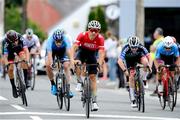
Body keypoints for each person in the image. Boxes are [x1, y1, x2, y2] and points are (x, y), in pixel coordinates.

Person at [72, 20, 104, 111]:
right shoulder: (82, 35)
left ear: (99, 31)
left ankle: (94, 102)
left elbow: (101, 52)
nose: (94, 32)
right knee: (78, 64)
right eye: (92, 30)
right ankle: (79, 81)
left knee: (93, 77)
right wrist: (72, 59)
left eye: (96, 30)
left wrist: (100, 63)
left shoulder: (100, 38)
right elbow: (74, 47)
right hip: (82, 52)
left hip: (92, 54)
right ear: (88, 29)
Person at [118, 36, 150, 108]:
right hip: (129, 61)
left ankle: (144, 79)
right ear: (129, 45)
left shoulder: (141, 47)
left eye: (136, 47)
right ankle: (132, 99)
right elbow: (119, 61)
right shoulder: (125, 48)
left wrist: (149, 66)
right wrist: (125, 70)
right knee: (131, 77)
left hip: (139, 57)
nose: (134, 49)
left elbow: (149, 56)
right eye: (132, 47)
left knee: (146, 62)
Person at [45, 29, 74, 98]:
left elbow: (69, 53)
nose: (58, 43)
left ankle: (68, 88)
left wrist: (72, 62)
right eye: (57, 41)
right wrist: (52, 63)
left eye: (60, 41)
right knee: (48, 65)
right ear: (54, 39)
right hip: (52, 52)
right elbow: (49, 54)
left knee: (66, 66)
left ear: (62, 39)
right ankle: (53, 84)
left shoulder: (66, 39)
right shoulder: (50, 40)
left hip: (62, 52)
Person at [3, 30, 30, 98]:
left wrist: (27, 60)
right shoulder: (5, 42)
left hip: (19, 50)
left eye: (16, 40)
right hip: (10, 53)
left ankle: (26, 80)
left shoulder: (20, 37)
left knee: (24, 60)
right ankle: (13, 87)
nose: (15, 42)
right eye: (14, 41)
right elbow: (5, 56)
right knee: (10, 69)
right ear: (9, 40)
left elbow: (26, 51)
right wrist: (7, 64)